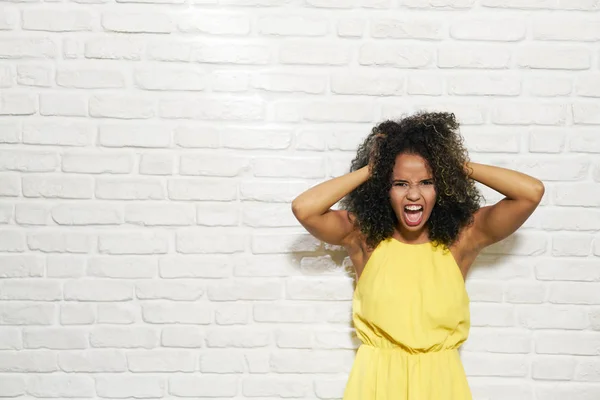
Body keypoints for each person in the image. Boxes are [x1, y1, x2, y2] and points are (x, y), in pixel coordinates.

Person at [290, 111, 545, 399]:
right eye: (400, 183)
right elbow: (304, 208)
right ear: (384, 189)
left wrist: (451, 164)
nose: (413, 195)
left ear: (443, 187)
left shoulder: (461, 239)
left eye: (427, 182)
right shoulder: (365, 238)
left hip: (441, 383)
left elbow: (531, 192)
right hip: (375, 382)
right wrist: (373, 169)